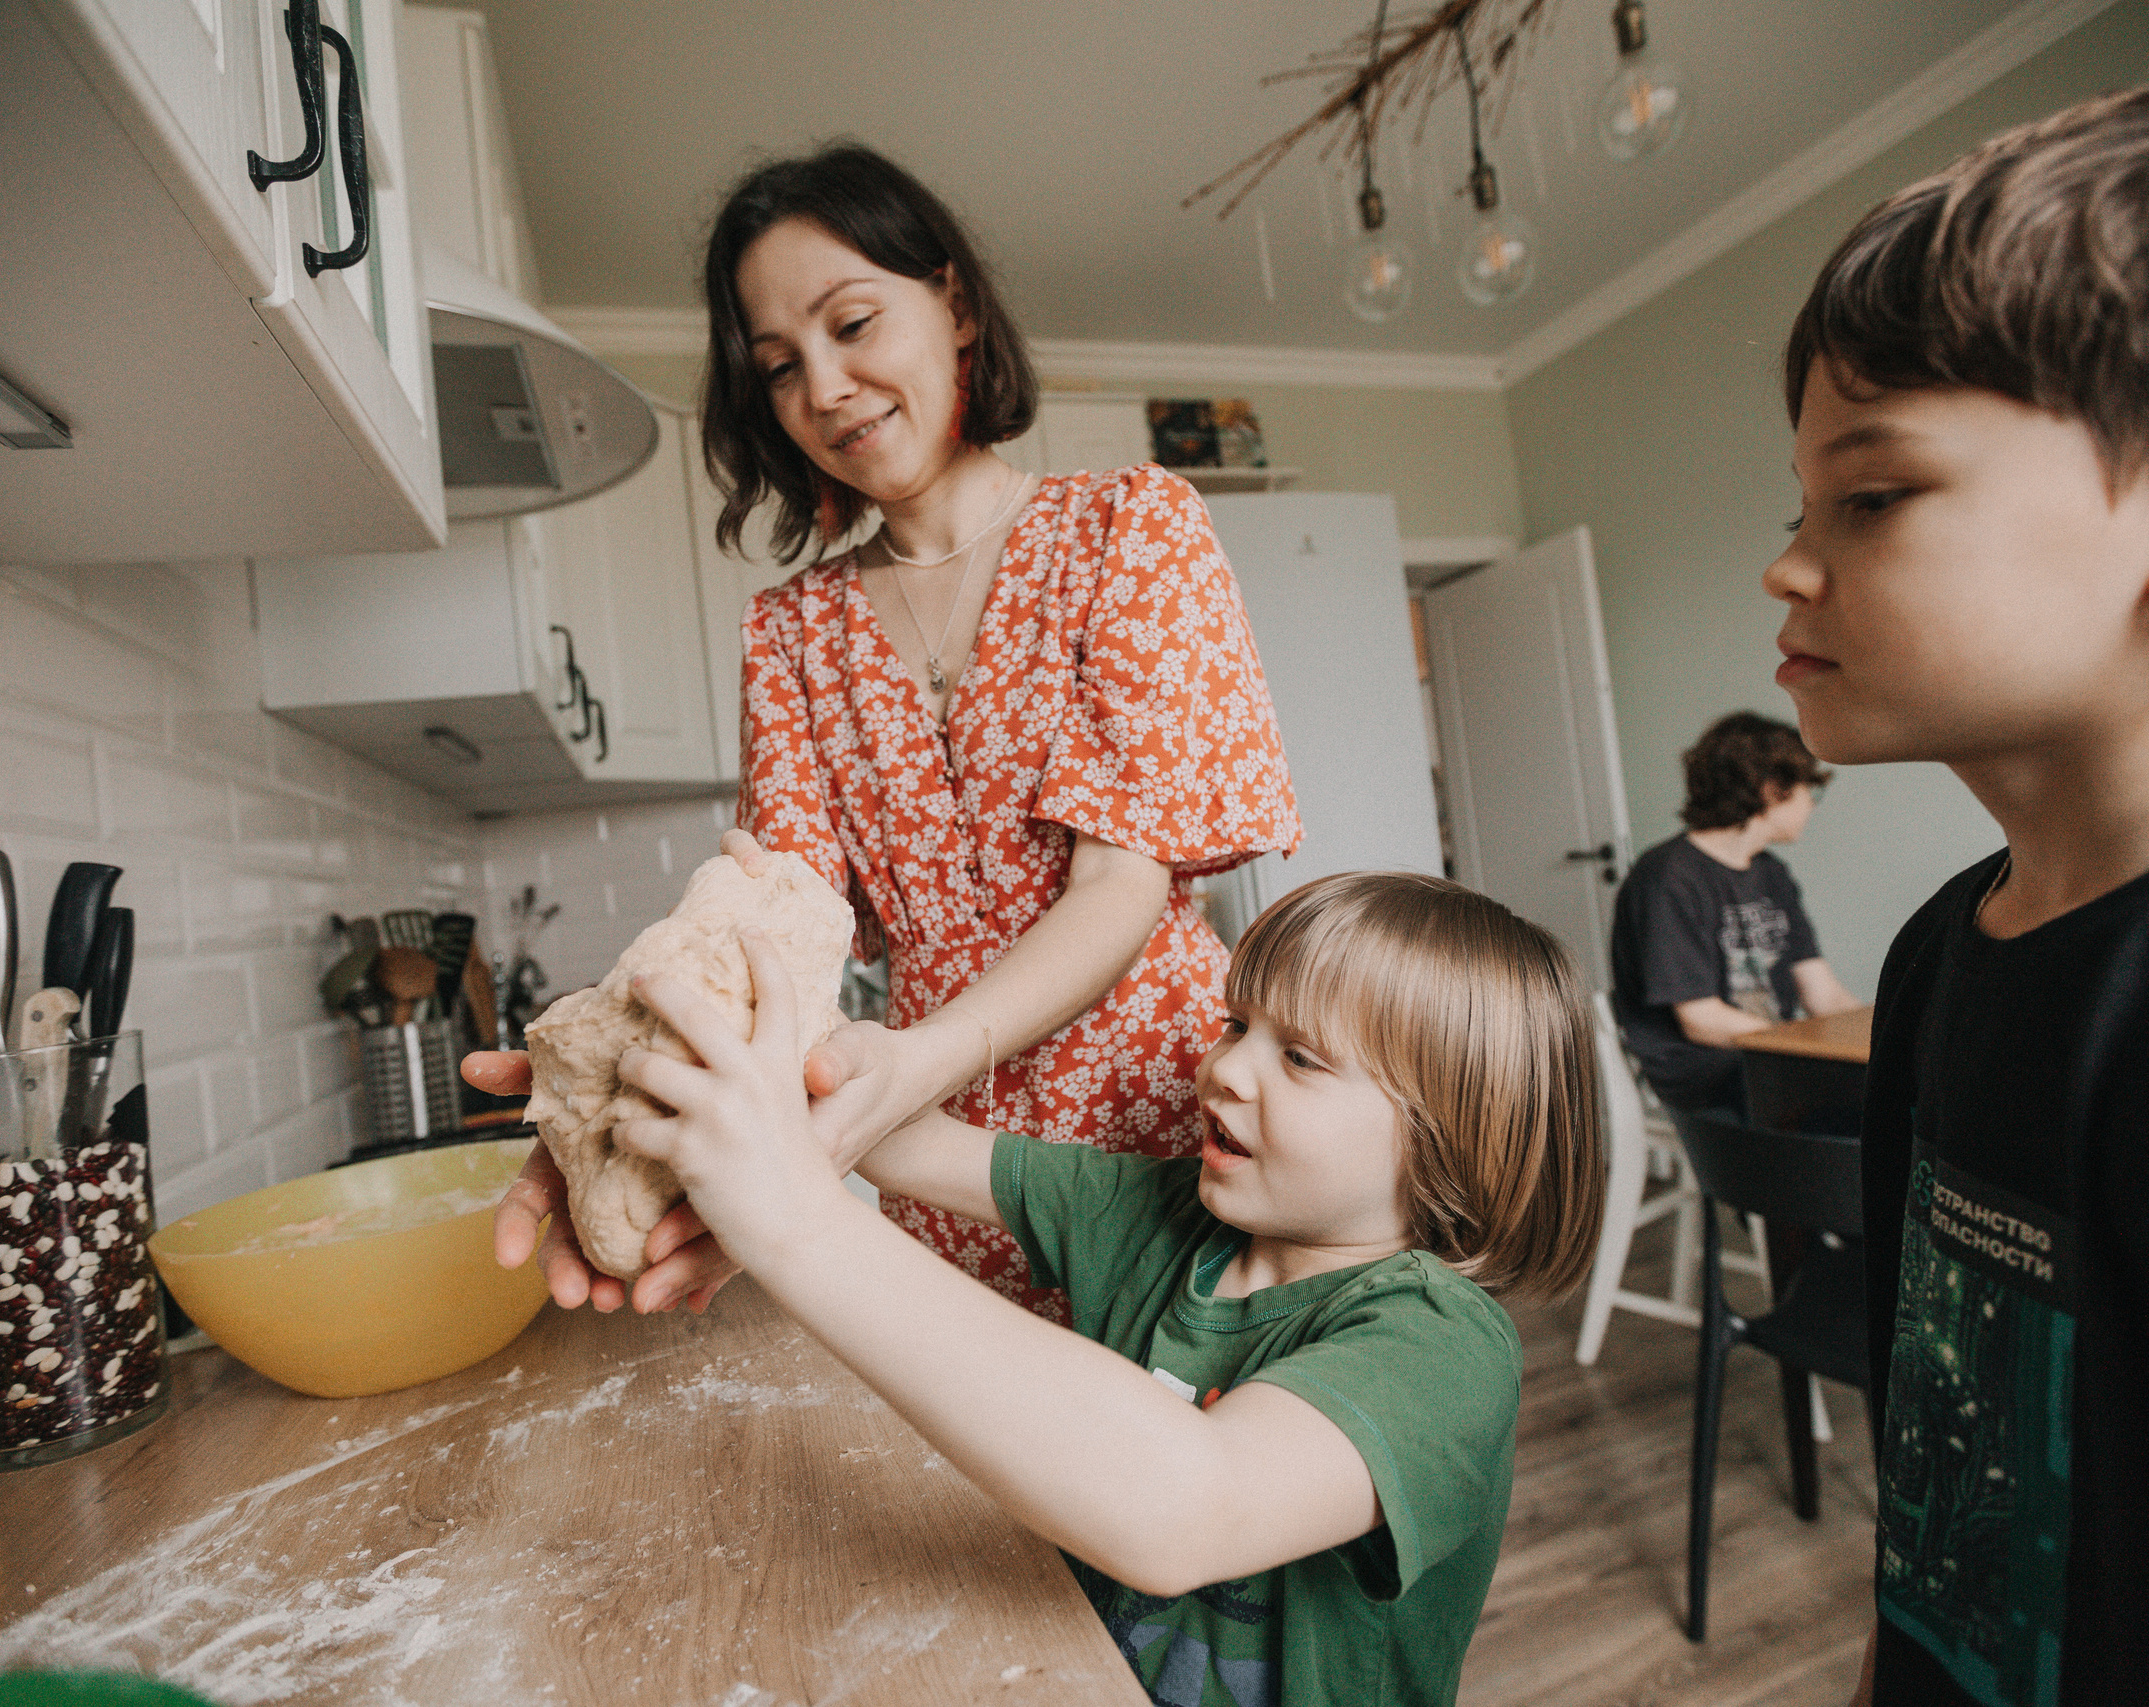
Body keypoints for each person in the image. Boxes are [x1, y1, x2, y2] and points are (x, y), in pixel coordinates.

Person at [488, 143, 1299, 1323]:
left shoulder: (1127, 528)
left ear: (954, 305)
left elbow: (1120, 884)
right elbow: (777, 928)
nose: (824, 388)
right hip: (937, 1167)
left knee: (1191, 1425)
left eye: (853, 323)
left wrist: (915, 1063)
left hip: (1170, 1135)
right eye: (779, 366)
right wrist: (621, 1082)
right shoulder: (790, 634)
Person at [1767, 66, 2149, 1706]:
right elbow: (1943, 1454)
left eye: (1873, 495)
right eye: (1801, 504)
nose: (1787, 562)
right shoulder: (1941, 953)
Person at [590, 871, 1601, 1704]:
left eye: (1299, 1058)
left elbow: (1186, 1510)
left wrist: (796, 1221)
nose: (1225, 1070)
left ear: (1448, 1142)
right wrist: (774, 1063)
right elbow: (895, 1137)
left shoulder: (1444, 1349)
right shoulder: (1163, 1214)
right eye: (1237, 1024)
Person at [1607, 711, 1859, 1117]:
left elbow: (1823, 995)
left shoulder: (1772, 873)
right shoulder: (1667, 878)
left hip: (1767, 1055)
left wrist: (1887, 1040)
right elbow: (1701, 1021)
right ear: (1772, 789)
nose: (1811, 806)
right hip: (1703, 1073)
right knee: (1857, 1105)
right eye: (1808, 790)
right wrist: (1803, 1048)